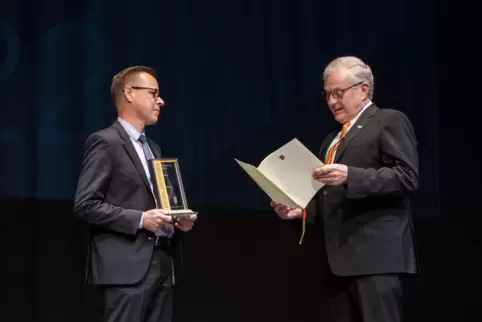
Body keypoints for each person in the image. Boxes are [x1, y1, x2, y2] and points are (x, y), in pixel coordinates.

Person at [270, 56, 419, 322]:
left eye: (338, 93)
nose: (331, 102)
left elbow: (406, 177)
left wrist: (351, 175)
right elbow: (327, 197)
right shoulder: (332, 140)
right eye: (327, 94)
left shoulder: (388, 120)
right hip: (338, 261)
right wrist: (300, 211)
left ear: (363, 89)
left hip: (376, 259)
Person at [73, 66, 197, 322]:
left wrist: (176, 219)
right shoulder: (106, 142)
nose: (160, 101)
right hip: (126, 269)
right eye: (154, 93)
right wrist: (141, 219)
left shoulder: (153, 147)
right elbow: (85, 204)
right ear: (129, 93)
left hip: (163, 263)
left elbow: (155, 203)